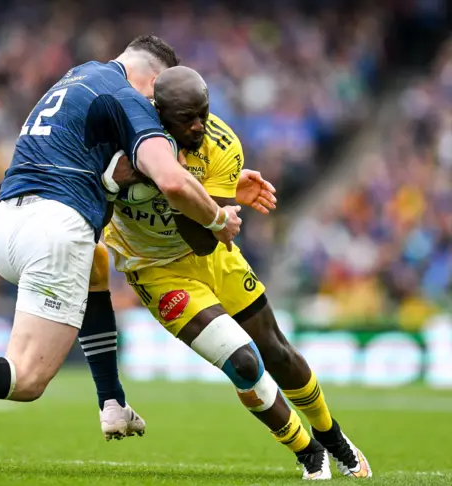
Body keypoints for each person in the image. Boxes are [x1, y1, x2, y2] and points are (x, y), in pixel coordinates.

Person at [0, 36, 242, 451]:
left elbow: (102, 183)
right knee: (28, 378)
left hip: (5, 224)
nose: (161, 111)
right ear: (157, 79)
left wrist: (110, 183)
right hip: (54, 227)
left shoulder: (76, 78)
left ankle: (112, 401)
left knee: (95, 261)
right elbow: (172, 180)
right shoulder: (129, 97)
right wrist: (218, 218)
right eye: (162, 97)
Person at [80, 66, 372, 480]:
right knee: (244, 363)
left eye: (203, 112)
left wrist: (175, 179)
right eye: (187, 118)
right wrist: (159, 178)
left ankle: (333, 437)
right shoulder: (121, 137)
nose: (199, 124)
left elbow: (204, 239)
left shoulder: (221, 143)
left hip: (212, 255)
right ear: (157, 113)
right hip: (157, 271)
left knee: (277, 352)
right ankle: (307, 451)